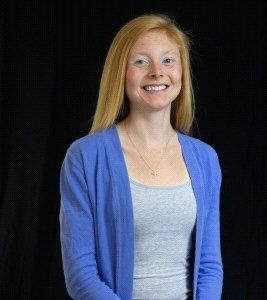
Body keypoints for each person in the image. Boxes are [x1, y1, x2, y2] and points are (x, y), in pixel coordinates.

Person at [59, 13, 223, 300]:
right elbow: (81, 275)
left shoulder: (205, 159)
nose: (157, 71)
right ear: (120, 72)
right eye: (141, 61)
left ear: (182, 71)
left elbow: (210, 266)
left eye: (168, 60)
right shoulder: (85, 158)